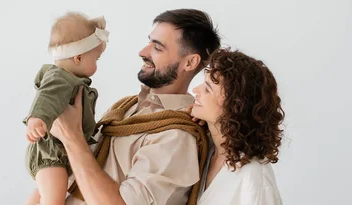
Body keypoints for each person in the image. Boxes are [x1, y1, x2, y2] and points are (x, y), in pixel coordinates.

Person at [29, 8, 222, 205]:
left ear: (189, 62)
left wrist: (72, 137)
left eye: (157, 47)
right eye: (149, 42)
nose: (142, 52)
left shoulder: (177, 136)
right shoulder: (124, 108)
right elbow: (62, 167)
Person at [23, 12, 109, 205]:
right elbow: (46, 97)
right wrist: (37, 119)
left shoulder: (71, 80)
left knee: (45, 192)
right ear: (78, 58)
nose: (96, 65)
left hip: (57, 155)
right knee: (53, 199)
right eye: (96, 59)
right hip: (52, 154)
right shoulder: (60, 78)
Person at [190, 48, 284, 205]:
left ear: (235, 107)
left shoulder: (254, 178)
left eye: (207, 89)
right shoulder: (203, 150)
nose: (195, 90)